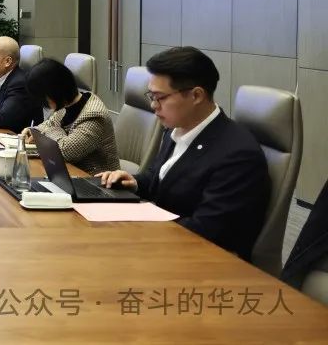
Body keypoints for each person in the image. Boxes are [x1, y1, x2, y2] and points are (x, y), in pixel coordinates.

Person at [99, 47, 270, 260]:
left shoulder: (237, 155)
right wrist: (134, 183)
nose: (153, 105)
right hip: (164, 245)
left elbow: (207, 231)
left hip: (201, 260)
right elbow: (160, 179)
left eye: (160, 97)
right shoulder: (177, 128)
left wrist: (139, 220)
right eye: (151, 96)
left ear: (196, 95)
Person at [20, 58, 119, 175]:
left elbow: (64, 152)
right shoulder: (66, 104)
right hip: (67, 173)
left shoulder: (94, 116)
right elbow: (48, 124)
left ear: (53, 92)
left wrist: (48, 130)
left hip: (94, 179)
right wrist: (33, 130)